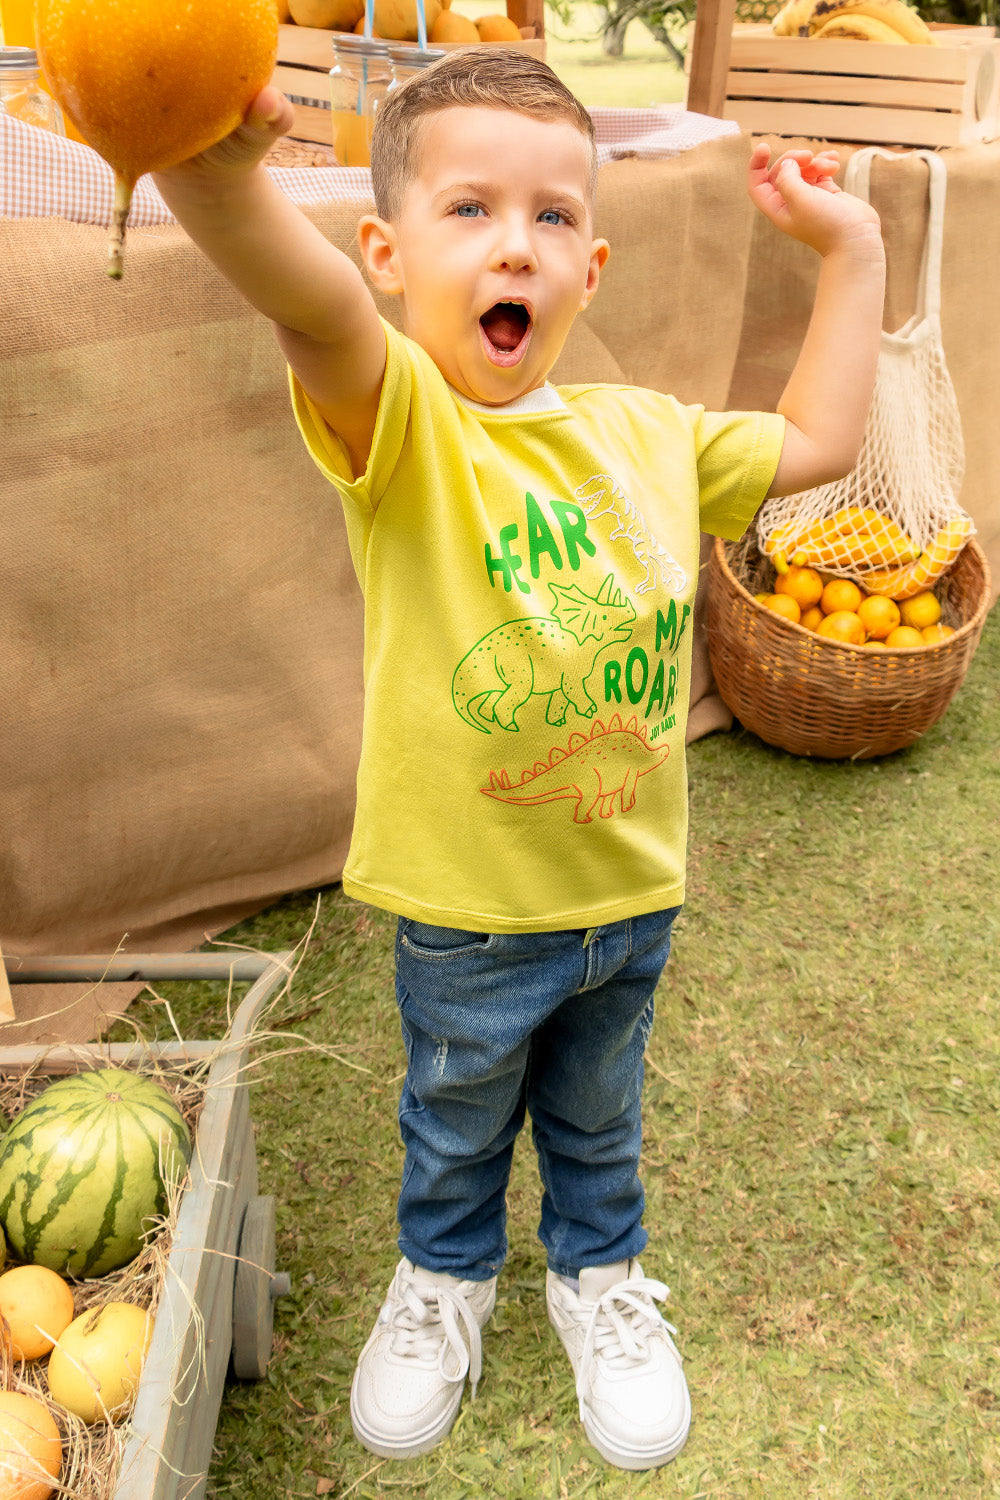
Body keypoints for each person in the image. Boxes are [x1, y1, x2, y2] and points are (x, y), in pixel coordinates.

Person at [153, 48, 884, 1471]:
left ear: (591, 268)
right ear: (390, 254)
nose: (515, 244)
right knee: (457, 1127)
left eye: (553, 218)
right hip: (470, 917)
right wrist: (208, 174)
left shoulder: (647, 436)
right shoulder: (407, 426)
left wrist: (851, 249)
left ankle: (598, 1284)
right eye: (470, 209)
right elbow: (303, 308)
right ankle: (443, 1285)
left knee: (600, 1128)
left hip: (625, 901)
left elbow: (818, 438)